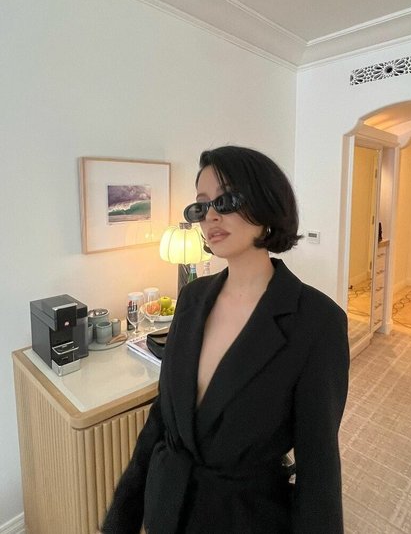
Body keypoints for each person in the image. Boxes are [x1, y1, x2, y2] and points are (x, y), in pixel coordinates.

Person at [101, 146, 349, 534]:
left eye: (227, 200)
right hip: (166, 505)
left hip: (244, 517)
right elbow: (162, 418)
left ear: (267, 203)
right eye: (201, 206)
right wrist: (121, 520)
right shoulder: (192, 298)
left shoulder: (317, 322)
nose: (211, 216)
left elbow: (319, 471)